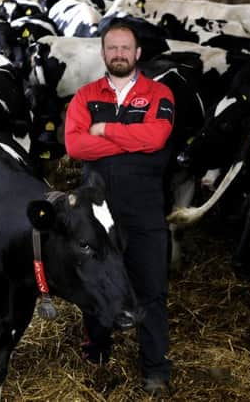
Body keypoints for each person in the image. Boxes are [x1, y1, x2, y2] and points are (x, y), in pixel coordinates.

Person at [64, 21, 175, 396]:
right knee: (97, 284)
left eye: (126, 48)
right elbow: (76, 147)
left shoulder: (160, 94)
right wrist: (131, 139)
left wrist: (103, 130)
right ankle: (96, 352)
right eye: (112, 48)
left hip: (144, 210)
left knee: (152, 289)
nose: (119, 54)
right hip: (97, 214)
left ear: (138, 53)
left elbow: (156, 136)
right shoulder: (85, 96)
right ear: (103, 52)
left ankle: (155, 369)